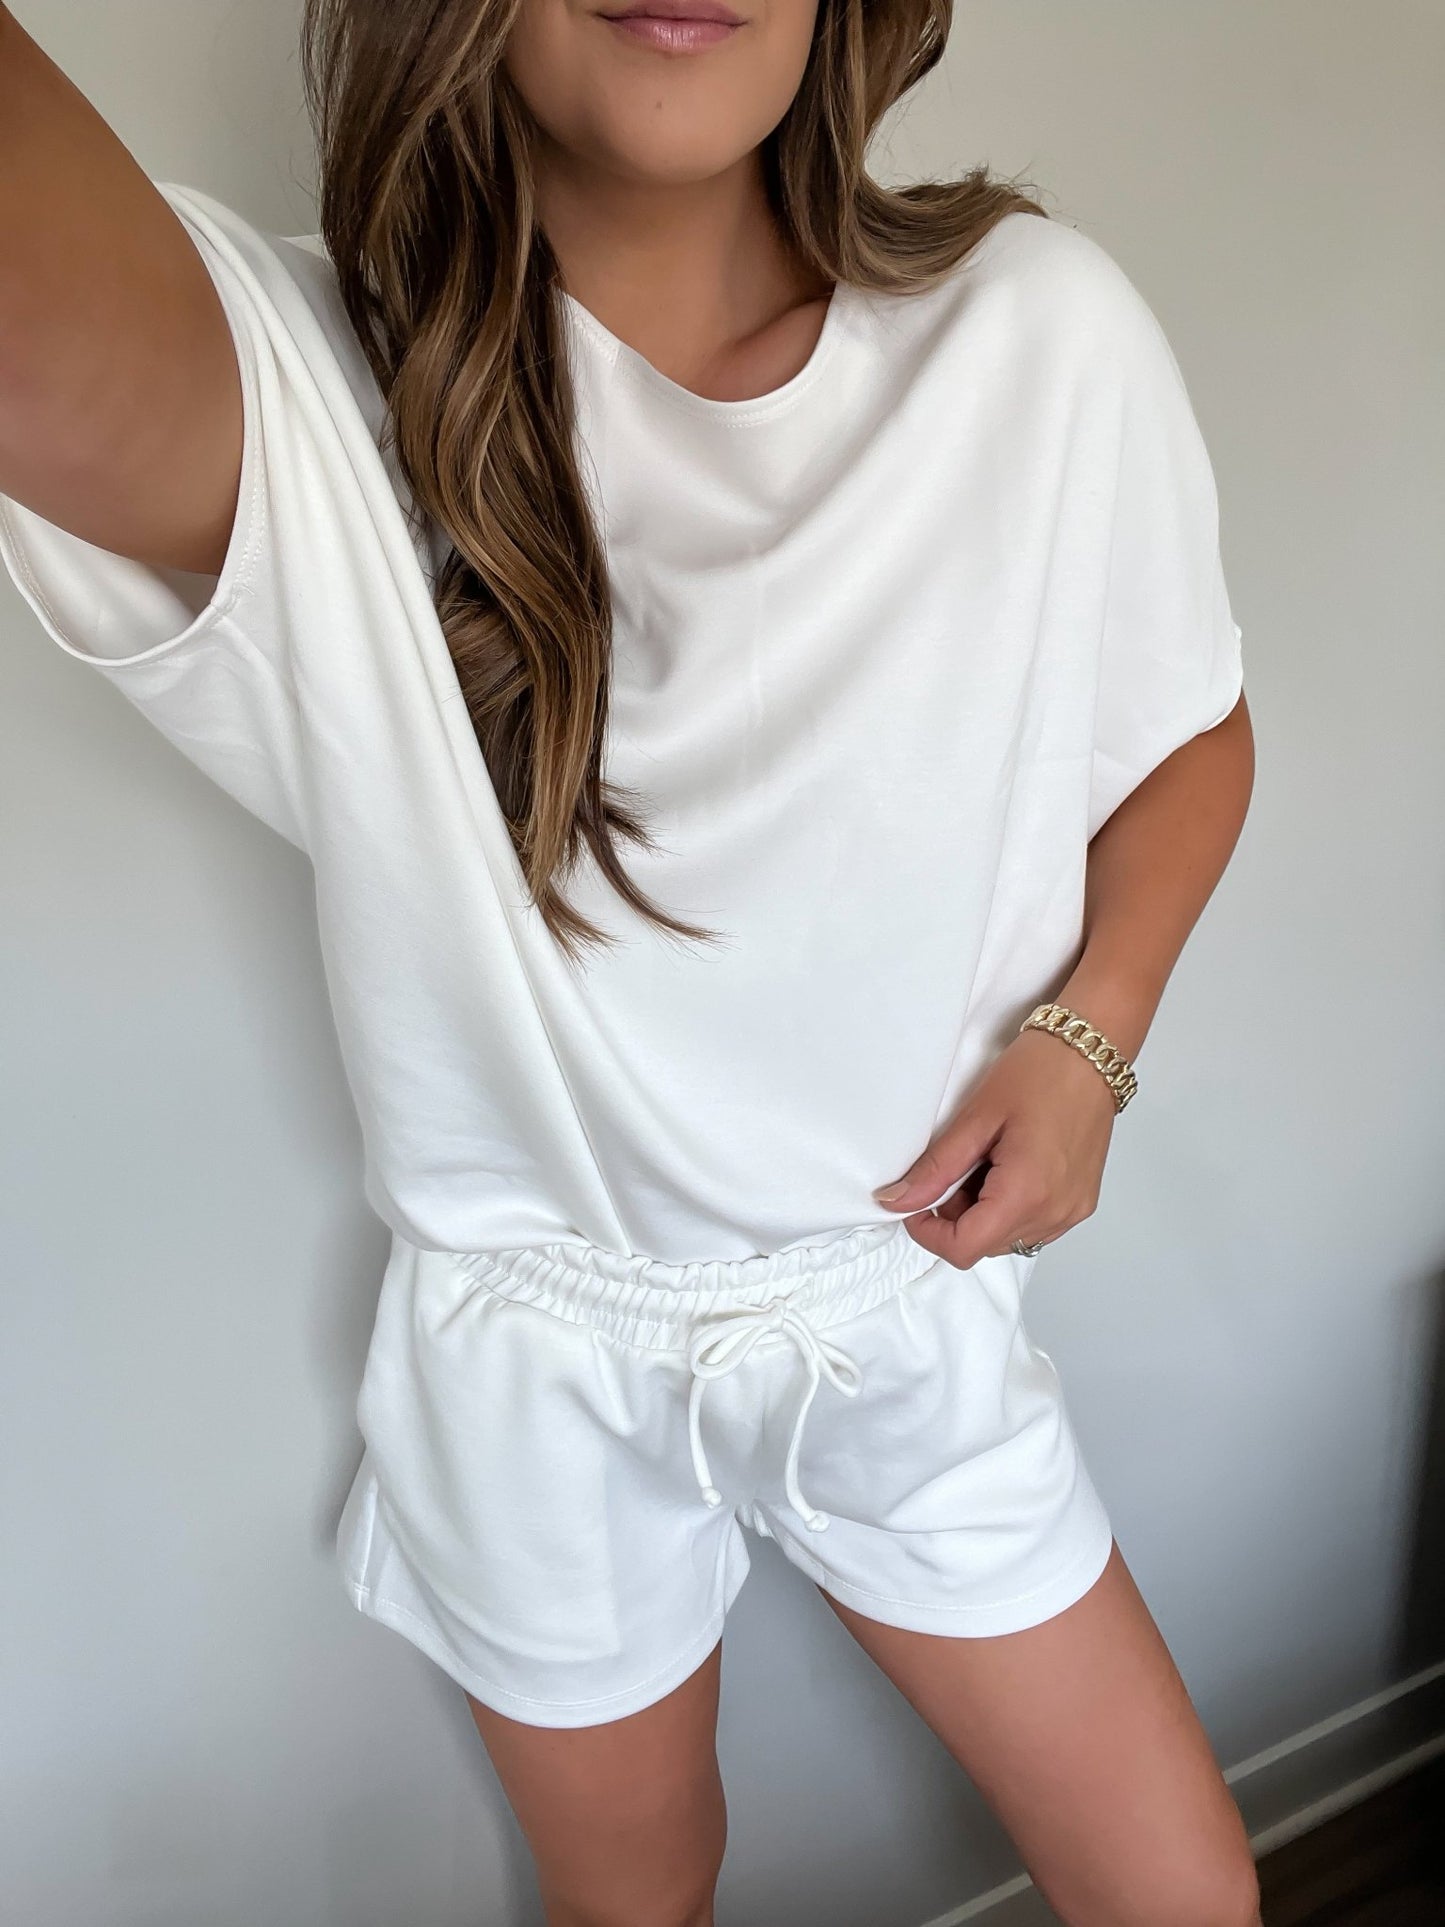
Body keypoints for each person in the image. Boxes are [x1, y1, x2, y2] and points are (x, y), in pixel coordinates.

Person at [0, 0, 1261, 1921]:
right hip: (539, 1363)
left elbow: (1184, 730)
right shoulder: (325, 408)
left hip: (899, 1304)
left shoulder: (1039, 333)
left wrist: (1095, 1037)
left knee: (1182, 1898)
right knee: (630, 1900)